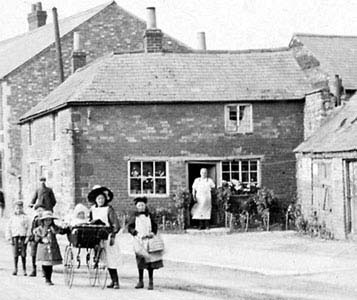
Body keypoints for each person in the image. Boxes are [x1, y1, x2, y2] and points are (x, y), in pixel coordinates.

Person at [88, 185, 121, 289]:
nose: (100, 201)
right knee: (102, 257)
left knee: (110, 258)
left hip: (107, 235)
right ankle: (110, 279)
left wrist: (113, 234)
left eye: (102, 198)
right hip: (96, 235)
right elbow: (89, 221)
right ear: (95, 200)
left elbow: (115, 224)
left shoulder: (109, 209)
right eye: (98, 199)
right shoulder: (92, 209)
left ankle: (115, 281)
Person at [128, 197, 163, 290]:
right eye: (139, 205)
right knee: (140, 261)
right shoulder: (134, 217)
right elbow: (130, 227)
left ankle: (151, 281)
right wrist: (136, 234)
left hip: (149, 241)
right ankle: (140, 281)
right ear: (136, 207)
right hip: (139, 241)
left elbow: (155, 226)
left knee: (150, 262)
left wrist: (153, 233)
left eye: (143, 205)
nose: (141, 207)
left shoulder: (149, 216)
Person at [33, 210, 67, 285]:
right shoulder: (40, 229)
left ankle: (49, 279)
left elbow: (60, 231)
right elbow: (36, 238)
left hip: (52, 248)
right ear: (43, 221)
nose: (48, 221)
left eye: (49, 220)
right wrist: (41, 239)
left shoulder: (54, 228)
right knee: (45, 264)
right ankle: (46, 278)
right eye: (46, 220)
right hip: (43, 249)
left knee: (50, 265)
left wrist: (66, 228)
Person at [5, 200, 31, 276]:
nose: (18, 210)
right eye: (17, 208)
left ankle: (24, 269)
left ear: (22, 208)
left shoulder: (26, 217)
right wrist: (9, 238)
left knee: (23, 254)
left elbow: (29, 228)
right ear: (14, 209)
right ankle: (15, 269)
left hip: (23, 237)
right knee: (15, 254)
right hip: (15, 237)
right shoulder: (12, 218)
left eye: (20, 208)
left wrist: (27, 237)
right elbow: (8, 228)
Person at [28, 204, 45, 277]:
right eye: (38, 211)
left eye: (41, 210)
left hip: (43, 238)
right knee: (33, 253)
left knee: (43, 255)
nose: (40, 212)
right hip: (35, 238)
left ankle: (44, 271)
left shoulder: (45, 219)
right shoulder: (35, 220)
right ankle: (34, 270)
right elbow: (32, 229)